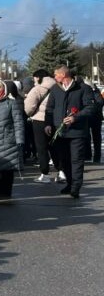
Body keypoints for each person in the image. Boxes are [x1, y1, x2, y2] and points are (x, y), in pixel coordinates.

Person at [45, 66, 95, 198]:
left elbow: (90, 108)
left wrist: (75, 117)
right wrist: (48, 124)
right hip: (60, 132)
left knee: (76, 160)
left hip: (77, 132)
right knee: (64, 160)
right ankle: (70, 183)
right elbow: (50, 108)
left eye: (55, 74)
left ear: (63, 74)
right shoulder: (55, 89)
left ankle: (76, 187)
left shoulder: (83, 88)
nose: (54, 77)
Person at [24, 69, 58, 183]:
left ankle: (45, 173)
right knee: (55, 146)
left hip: (39, 121)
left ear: (38, 77)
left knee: (41, 147)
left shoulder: (37, 89)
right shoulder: (58, 87)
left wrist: (31, 114)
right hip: (55, 120)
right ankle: (62, 171)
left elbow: (29, 107)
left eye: (34, 78)